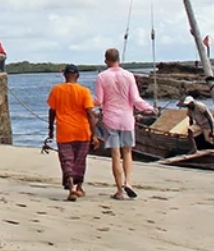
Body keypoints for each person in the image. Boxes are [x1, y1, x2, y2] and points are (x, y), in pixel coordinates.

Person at [94, 47, 154, 200]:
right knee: (127, 152)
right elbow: (135, 99)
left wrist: (85, 102)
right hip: (127, 119)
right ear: (118, 59)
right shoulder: (128, 76)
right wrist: (148, 108)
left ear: (106, 60)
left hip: (110, 119)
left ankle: (119, 190)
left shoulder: (102, 77)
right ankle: (128, 182)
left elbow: (99, 101)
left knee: (115, 154)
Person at [47, 65, 100, 201]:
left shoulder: (56, 90)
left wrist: (50, 130)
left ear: (64, 75)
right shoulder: (84, 91)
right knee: (80, 161)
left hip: (64, 131)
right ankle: (79, 187)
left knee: (67, 160)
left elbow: (52, 111)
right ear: (77, 76)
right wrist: (94, 134)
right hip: (82, 131)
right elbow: (90, 114)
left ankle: (71, 187)